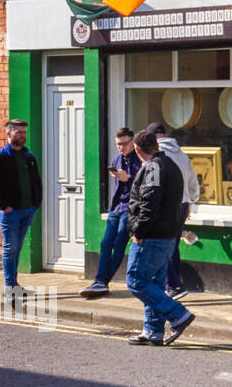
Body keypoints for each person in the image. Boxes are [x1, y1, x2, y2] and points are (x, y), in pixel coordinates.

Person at [125, 128, 194, 346]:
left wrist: (138, 231)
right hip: (167, 236)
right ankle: (153, 331)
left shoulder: (153, 168)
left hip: (151, 237)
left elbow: (149, 204)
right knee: (153, 282)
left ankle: (178, 314)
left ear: (137, 149)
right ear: (156, 145)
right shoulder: (170, 165)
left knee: (136, 281)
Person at [0, 119, 44, 300]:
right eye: (18, 132)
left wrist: (36, 204)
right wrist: (5, 207)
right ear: (8, 134)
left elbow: (36, 181)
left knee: (17, 248)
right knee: (10, 249)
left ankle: (15, 285)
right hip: (10, 213)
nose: (22, 136)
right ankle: (10, 288)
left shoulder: (29, 157)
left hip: (27, 210)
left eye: (24, 132)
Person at [80, 127, 142, 298]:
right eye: (118, 145)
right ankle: (100, 281)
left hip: (131, 208)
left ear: (132, 141)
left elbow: (144, 187)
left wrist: (128, 179)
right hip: (115, 208)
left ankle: (102, 281)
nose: (121, 147)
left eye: (124, 144)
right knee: (105, 244)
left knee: (119, 244)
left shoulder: (140, 160)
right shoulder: (116, 160)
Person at [145, 122, 198, 299]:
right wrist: (191, 200)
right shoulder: (182, 154)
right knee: (172, 246)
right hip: (183, 205)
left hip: (167, 206)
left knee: (162, 246)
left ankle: (174, 285)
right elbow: (193, 183)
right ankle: (174, 285)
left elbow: (153, 186)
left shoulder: (157, 156)